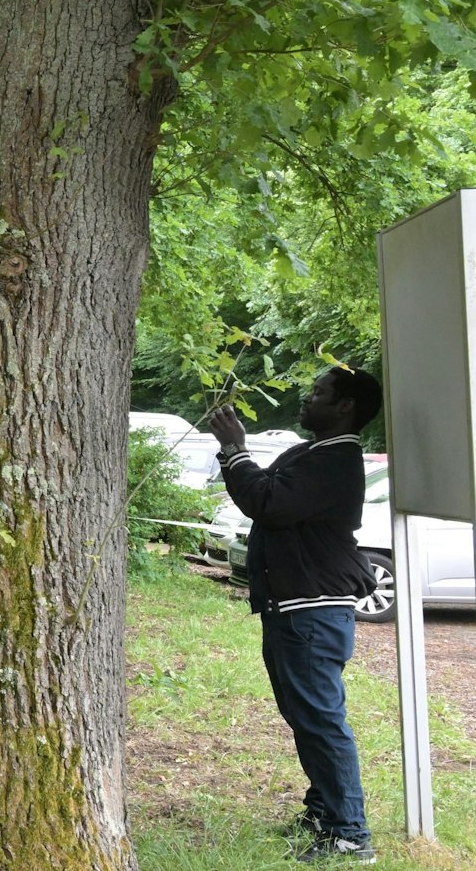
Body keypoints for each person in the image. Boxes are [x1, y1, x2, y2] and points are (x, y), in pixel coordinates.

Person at [209, 367, 382, 864]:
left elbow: (266, 501)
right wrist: (236, 456)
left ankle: (351, 836)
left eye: (319, 393)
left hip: (312, 612)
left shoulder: (337, 461)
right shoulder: (312, 453)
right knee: (306, 717)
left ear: (345, 406)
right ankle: (324, 810)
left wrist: (235, 448)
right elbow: (265, 490)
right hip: (291, 608)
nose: (308, 399)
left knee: (322, 722)